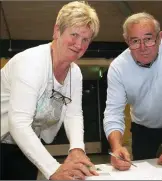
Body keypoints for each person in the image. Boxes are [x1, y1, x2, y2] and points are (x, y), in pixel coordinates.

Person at [1, 1, 100, 180]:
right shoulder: (31, 63)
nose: (79, 44)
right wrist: (54, 169)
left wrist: (77, 149)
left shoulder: (75, 73)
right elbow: (19, 122)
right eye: (74, 35)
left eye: (85, 39)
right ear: (57, 31)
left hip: (25, 143)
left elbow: (73, 114)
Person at [103, 12, 162, 171]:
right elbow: (113, 112)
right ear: (127, 42)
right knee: (143, 173)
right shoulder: (118, 68)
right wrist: (116, 146)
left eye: (148, 39)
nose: (142, 48)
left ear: (159, 37)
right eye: (135, 41)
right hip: (142, 128)